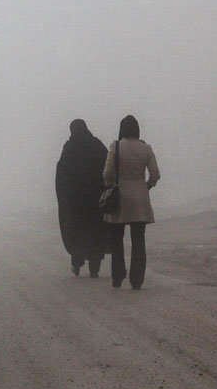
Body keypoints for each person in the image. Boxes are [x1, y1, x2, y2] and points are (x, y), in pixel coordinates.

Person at [103, 115, 160, 289]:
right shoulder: (146, 148)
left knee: (116, 239)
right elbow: (155, 174)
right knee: (138, 240)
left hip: (120, 198)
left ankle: (118, 276)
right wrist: (146, 187)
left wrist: (110, 186)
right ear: (137, 129)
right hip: (140, 199)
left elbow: (107, 173)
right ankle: (137, 279)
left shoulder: (116, 147)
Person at [55, 119, 109, 278]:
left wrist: (65, 195)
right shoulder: (96, 145)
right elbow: (108, 166)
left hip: (76, 201)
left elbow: (61, 173)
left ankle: (76, 264)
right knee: (95, 232)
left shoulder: (69, 148)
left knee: (77, 231)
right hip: (95, 199)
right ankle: (94, 267)